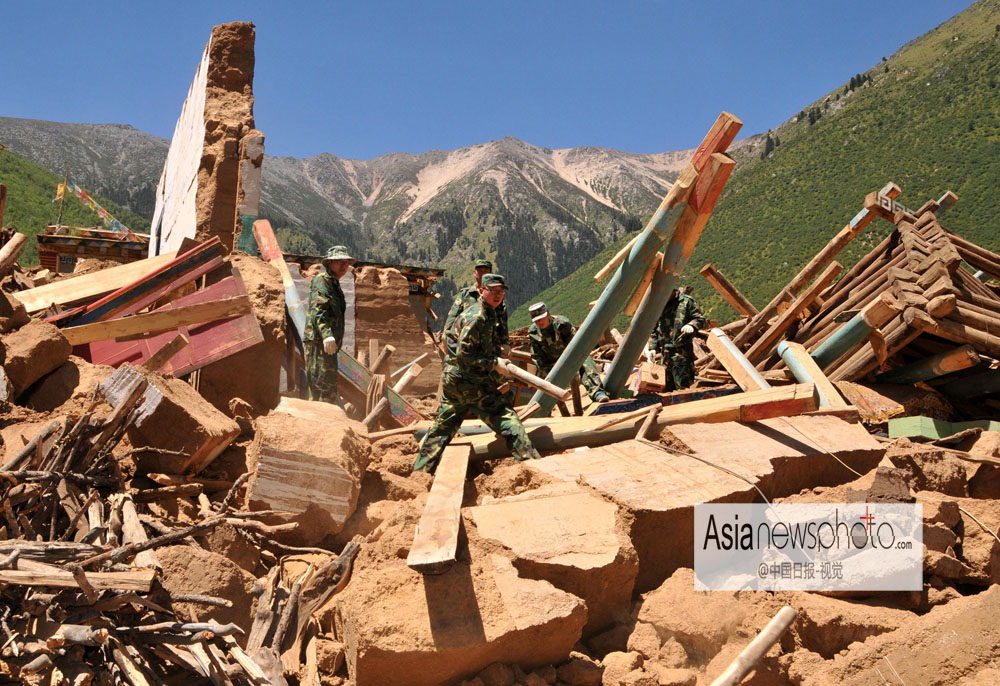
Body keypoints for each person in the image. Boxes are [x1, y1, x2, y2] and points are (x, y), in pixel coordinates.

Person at [414, 274, 540, 474]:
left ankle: (420, 472)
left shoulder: (489, 312)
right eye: (493, 291)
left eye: (501, 292)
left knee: (443, 428)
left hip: (456, 381)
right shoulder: (477, 317)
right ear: (482, 291)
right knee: (507, 418)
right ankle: (536, 467)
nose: (498, 295)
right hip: (469, 381)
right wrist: (494, 364)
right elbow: (466, 357)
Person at [527, 302, 610, 402]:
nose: (539, 322)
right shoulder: (533, 332)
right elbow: (536, 355)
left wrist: (573, 360)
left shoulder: (562, 324)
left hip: (571, 356)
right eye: (536, 320)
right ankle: (546, 406)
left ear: (548, 314)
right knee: (542, 380)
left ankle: (597, 392)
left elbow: (577, 345)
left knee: (586, 363)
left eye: (541, 318)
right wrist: (544, 369)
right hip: (550, 362)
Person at [303, 245, 353, 403]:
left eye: (346, 262)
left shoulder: (335, 284)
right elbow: (319, 310)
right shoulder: (322, 280)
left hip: (328, 347)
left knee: (328, 387)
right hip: (319, 344)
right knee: (321, 386)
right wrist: (327, 336)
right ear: (330, 263)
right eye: (340, 262)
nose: (344, 266)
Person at [444, 259, 509, 349]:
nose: (483, 273)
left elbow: (502, 322)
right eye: (480, 270)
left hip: (489, 340)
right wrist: (446, 335)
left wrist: (505, 342)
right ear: (475, 273)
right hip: (467, 339)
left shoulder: (496, 297)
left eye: (486, 271)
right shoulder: (465, 294)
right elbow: (453, 315)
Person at [652, 287, 705, 391]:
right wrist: (652, 347)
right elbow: (653, 327)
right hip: (665, 353)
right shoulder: (659, 304)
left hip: (682, 352)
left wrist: (692, 325)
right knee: (666, 388)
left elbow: (699, 318)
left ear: (672, 291)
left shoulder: (686, 301)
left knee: (683, 387)